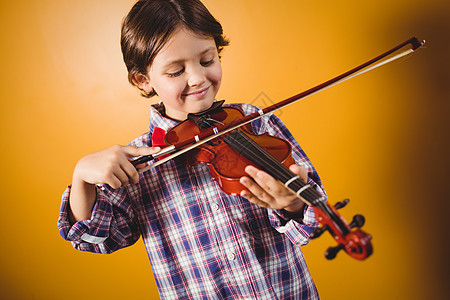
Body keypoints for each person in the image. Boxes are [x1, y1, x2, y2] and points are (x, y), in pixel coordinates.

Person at [58, 0, 326, 299]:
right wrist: (81, 176)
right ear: (143, 80)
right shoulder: (139, 159)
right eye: (175, 71)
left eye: (207, 60)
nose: (198, 78)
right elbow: (97, 238)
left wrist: (293, 204)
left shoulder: (253, 122)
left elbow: (312, 221)